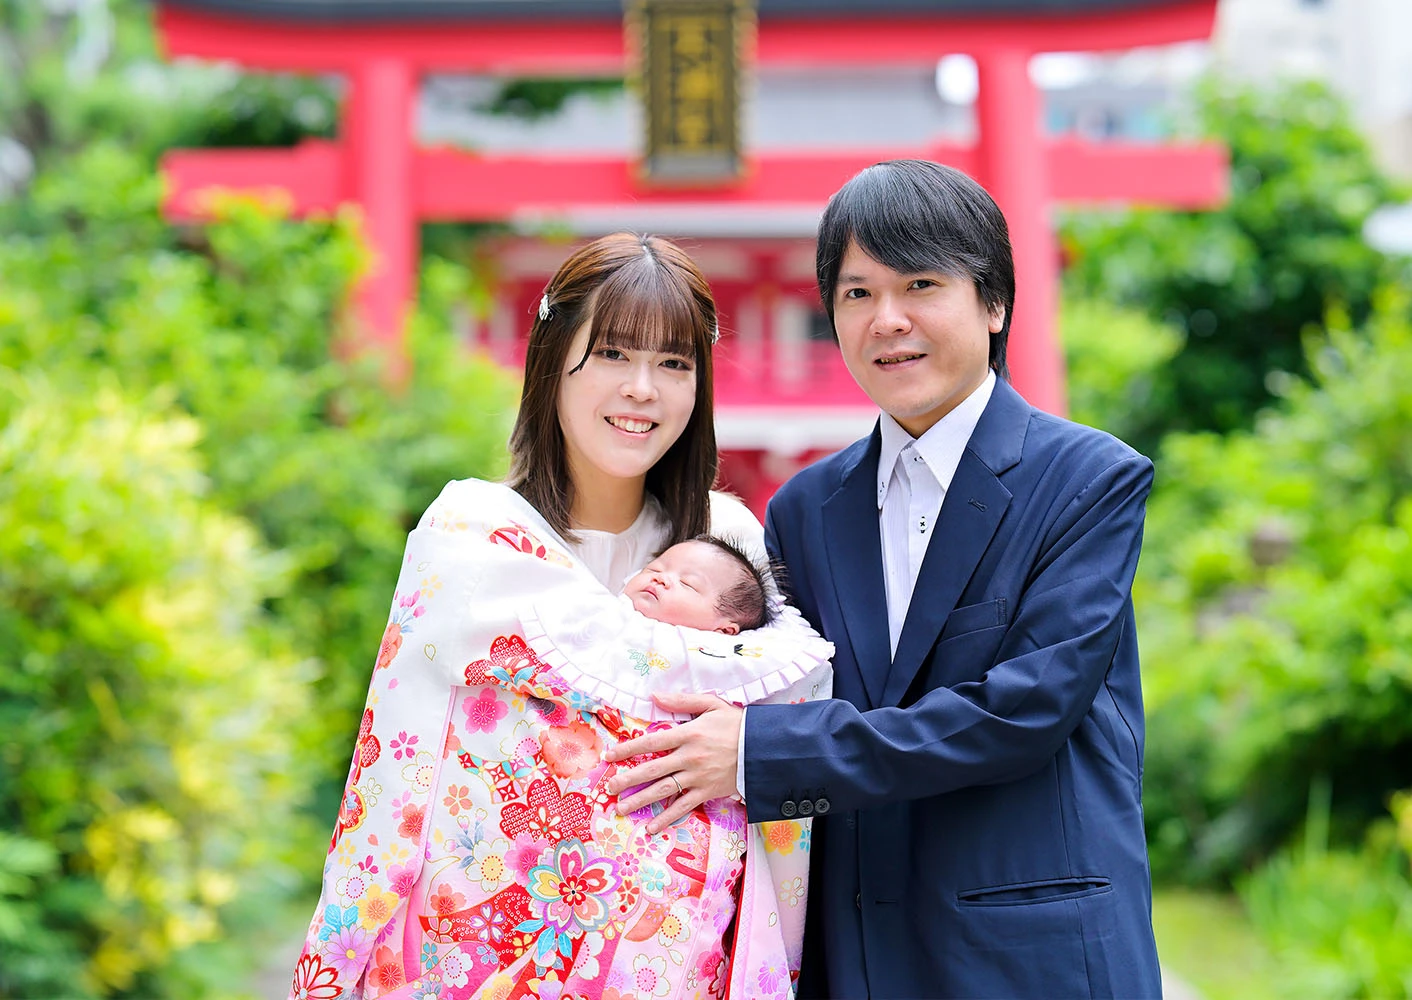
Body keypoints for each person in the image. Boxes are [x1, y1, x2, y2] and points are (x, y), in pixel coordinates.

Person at [604, 160, 1163, 999]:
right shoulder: (805, 509)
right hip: (857, 954)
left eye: (921, 284)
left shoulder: (1087, 480)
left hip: (1033, 955)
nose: (887, 320)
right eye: (857, 294)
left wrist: (761, 753)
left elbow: (1024, 710)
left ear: (995, 302)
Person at [288, 233, 832, 1000]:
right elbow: (399, 753)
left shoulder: (727, 543)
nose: (643, 388)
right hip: (477, 957)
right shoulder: (472, 535)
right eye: (612, 354)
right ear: (551, 359)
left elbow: (790, 708)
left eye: (674, 364)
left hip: (667, 968)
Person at [623, 536, 774, 635]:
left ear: (724, 630)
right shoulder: (608, 609)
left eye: (687, 583)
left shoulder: (706, 664)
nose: (661, 578)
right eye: (654, 569)